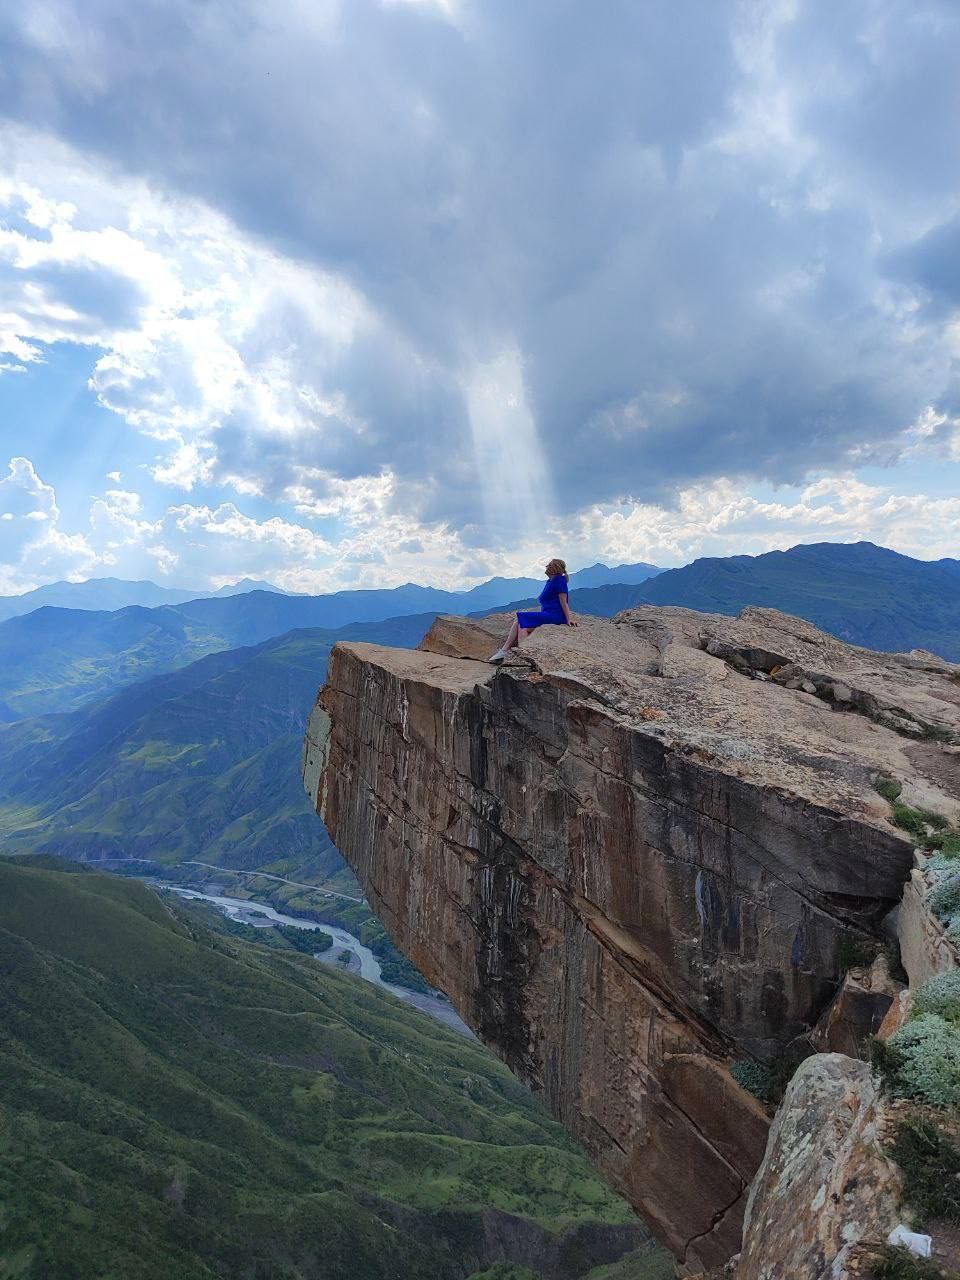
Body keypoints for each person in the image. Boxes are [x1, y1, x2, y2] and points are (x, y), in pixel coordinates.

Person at [488, 558, 577, 663]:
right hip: (547, 614)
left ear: (554, 568)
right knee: (521, 622)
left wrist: (569, 619)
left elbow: (564, 602)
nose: (546, 566)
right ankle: (510, 651)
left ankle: (516, 652)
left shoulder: (559, 581)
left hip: (555, 615)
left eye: (548, 565)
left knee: (522, 619)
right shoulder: (551, 581)